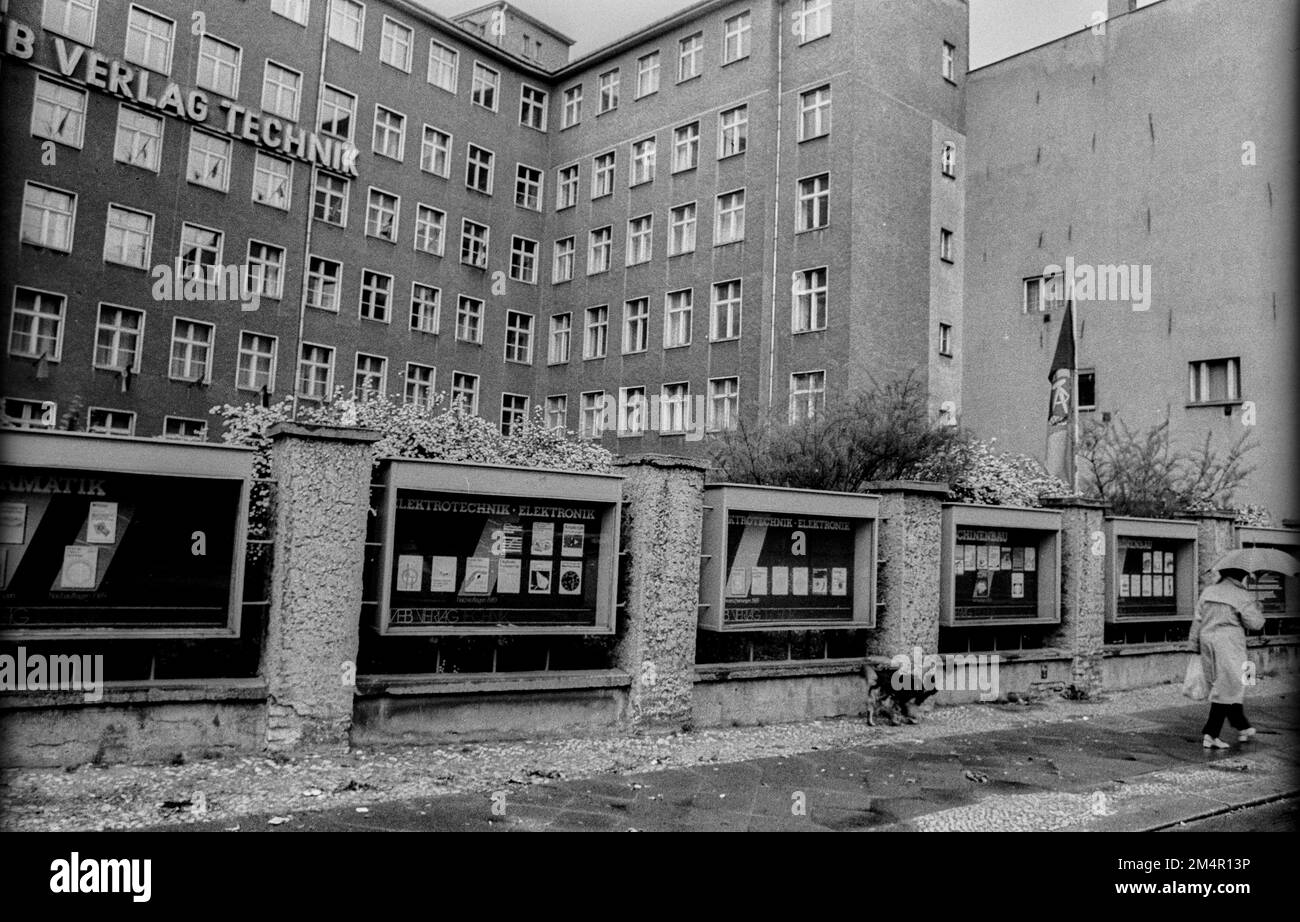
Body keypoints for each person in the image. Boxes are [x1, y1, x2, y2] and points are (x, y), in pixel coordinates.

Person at [1188, 568, 1265, 749]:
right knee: (1229, 686)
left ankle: (1242, 726)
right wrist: (1258, 608)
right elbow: (1255, 623)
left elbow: (1197, 620)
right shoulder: (1241, 594)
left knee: (1227, 684)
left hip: (1207, 641)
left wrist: (1193, 645)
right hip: (1229, 644)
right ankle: (1211, 733)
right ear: (1240, 577)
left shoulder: (1209, 591)